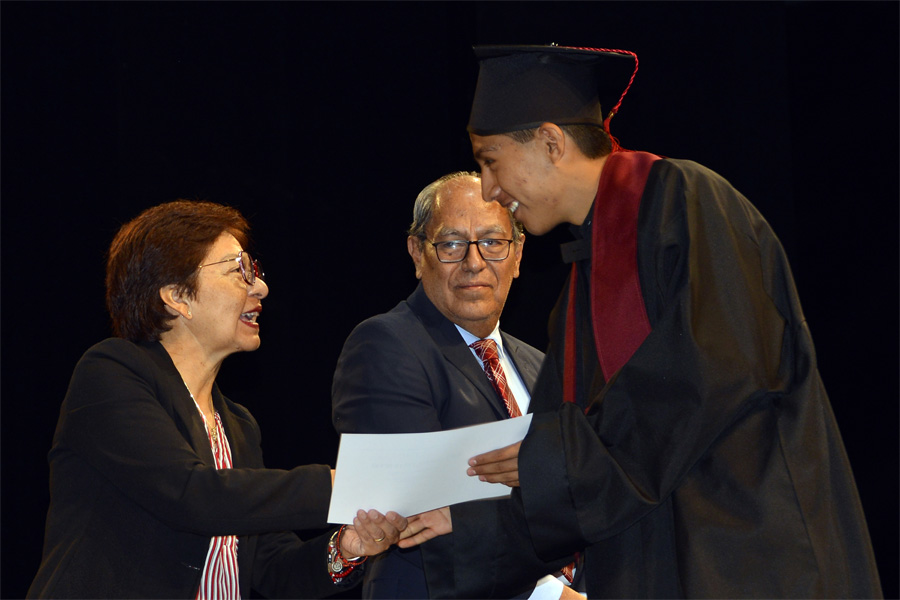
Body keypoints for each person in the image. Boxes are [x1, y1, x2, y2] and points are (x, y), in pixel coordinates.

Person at [399, 45, 883, 598]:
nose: (489, 189)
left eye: (490, 161)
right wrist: (471, 523)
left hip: (751, 559)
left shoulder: (689, 202)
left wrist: (548, 457)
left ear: (551, 142)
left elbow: (701, 381)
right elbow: (567, 473)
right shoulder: (580, 292)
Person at [28, 200, 407, 599]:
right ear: (177, 296)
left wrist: (348, 548)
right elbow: (192, 495)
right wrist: (341, 484)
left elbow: (275, 569)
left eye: (254, 271)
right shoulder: (112, 372)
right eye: (238, 271)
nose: (260, 286)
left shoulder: (238, 425)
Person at [332, 172, 580, 599]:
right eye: (451, 244)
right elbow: (419, 514)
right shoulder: (386, 345)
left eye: (492, 242)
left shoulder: (542, 367)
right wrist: (553, 596)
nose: (474, 262)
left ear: (518, 254)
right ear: (416, 252)